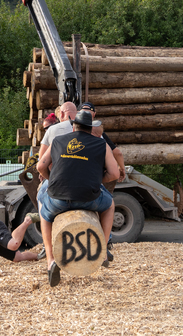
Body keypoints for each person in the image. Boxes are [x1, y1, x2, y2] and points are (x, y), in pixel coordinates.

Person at [36, 110, 119, 287]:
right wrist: (97, 178)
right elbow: (114, 173)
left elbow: (40, 166)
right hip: (89, 197)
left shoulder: (58, 141)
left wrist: (52, 179)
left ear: (73, 127)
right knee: (110, 205)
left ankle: (50, 260)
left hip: (58, 197)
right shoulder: (101, 144)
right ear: (90, 129)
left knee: (44, 215)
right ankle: (103, 250)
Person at [80, 101, 126, 186]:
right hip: (93, 176)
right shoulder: (98, 133)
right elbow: (117, 153)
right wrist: (122, 168)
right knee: (108, 198)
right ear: (94, 114)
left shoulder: (69, 134)